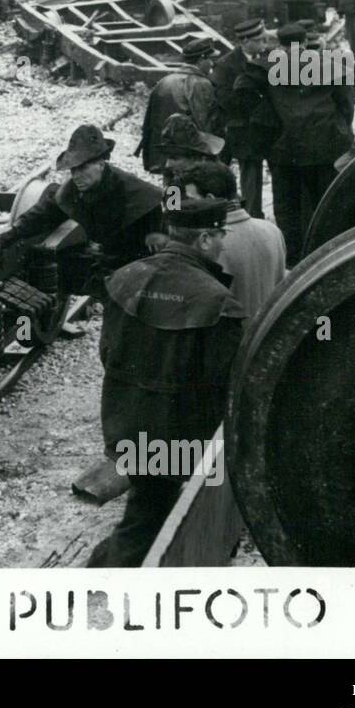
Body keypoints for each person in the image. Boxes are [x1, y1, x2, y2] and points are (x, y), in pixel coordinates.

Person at [86, 197, 244, 568]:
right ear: (204, 240)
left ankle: (111, 563)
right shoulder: (217, 301)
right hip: (179, 434)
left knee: (149, 502)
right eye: (219, 234)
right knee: (148, 515)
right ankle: (109, 581)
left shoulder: (124, 278)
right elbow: (223, 381)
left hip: (124, 421)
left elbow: (107, 353)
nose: (223, 243)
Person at [0, 124, 164, 269]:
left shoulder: (133, 191)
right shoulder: (73, 190)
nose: (76, 175)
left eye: (83, 168)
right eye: (73, 169)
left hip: (137, 259)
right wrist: (4, 239)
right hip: (107, 255)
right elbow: (43, 213)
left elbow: (161, 228)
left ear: (101, 164)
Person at [262, 23, 355, 266]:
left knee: (287, 207)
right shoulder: (333, 66)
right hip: (325, 146)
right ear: (304, 42)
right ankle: (325, 256)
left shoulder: (267, 69)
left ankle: (292, 260)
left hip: (284, 149)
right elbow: (346, 105)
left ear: (280, 45)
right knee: (325, 203)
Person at [167, 160, 285, 318]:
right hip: (263, 335)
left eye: (191, 199)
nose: (187, 205)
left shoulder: (206, 242)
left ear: (210, 199)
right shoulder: (273, 231)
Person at [210, 19, 272, 219]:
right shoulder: (226, 65)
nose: (264, 44)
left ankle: (253, 215)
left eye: (265, 39)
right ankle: (229, 213)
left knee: (253, 173)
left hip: (257, 128)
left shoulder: (265, 58)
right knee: (229, 173)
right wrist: (256, 102)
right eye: (259, 40)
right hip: (237, 128)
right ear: (245, 41)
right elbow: (224, 98)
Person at [135, 38, 219, 175]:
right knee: (192, 189)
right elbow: (204, 123)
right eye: (210, 59)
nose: (212, 63)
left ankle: (171, 197)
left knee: (172, 189)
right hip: (191, 156)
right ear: (201, 59)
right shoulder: (201, 83)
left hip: (166, 154)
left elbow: (149, 122)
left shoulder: (164, 81)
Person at [158, 114, 225, 183]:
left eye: (174, 158)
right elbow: (171, 192)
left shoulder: (214, 179)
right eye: (169, 157)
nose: (168, 164)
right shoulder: (172, 176)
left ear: (197, 158)